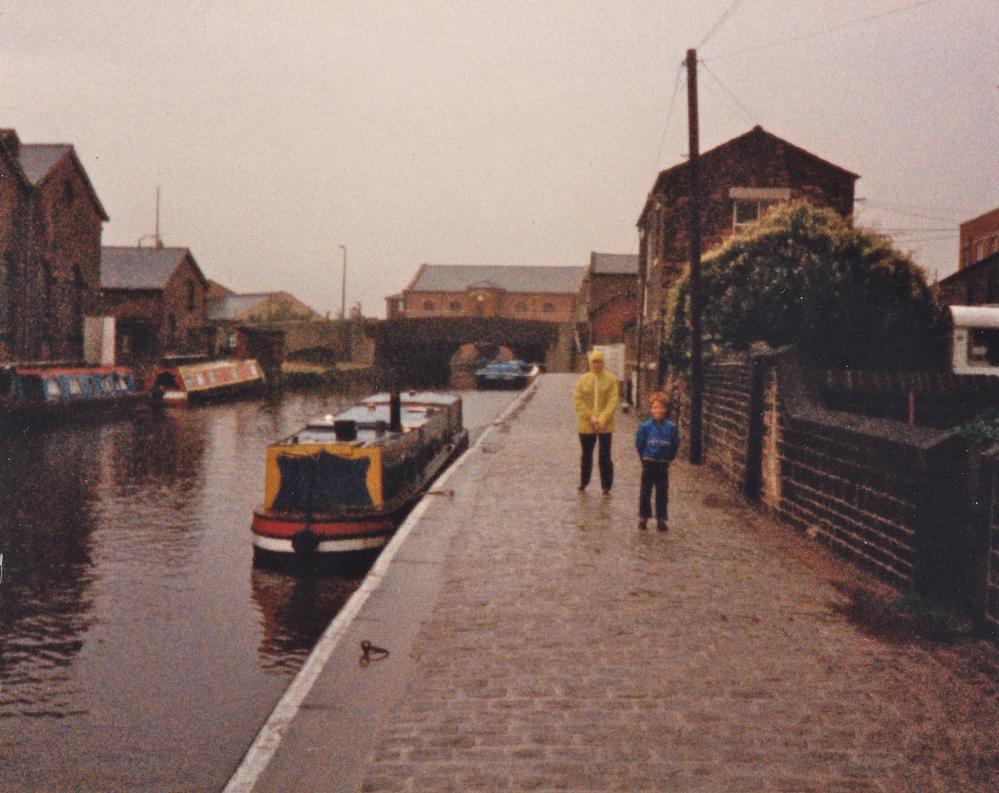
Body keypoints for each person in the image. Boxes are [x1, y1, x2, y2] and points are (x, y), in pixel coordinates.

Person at [572, 349, 620, 495]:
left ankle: (606, 486)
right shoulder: (583, 379)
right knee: (586, 455)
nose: (597, 365)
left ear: (603, 363)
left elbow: (613, 400)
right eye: (594, 362)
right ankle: (584, 482)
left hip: (605, 425)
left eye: (599, 362)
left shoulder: (610, 379)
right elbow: (578, 400)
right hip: (586, 424)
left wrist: (602, 418)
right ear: (590, 363)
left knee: (605, 455)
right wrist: (590, 416)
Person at [635, 391, 679, 531]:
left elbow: (675, 444)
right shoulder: (645, 427)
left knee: (662, 492)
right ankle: (643, 517)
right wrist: (644, 457)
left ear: (665, 409)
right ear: (650, 409)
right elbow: (639, 444)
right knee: (645, 491)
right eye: (654, 407)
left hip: (663, 463)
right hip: (649, 462)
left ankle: (661, 518)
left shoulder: (671, 428)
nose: (657, 410)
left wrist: (669, 457)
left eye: (660, 407)